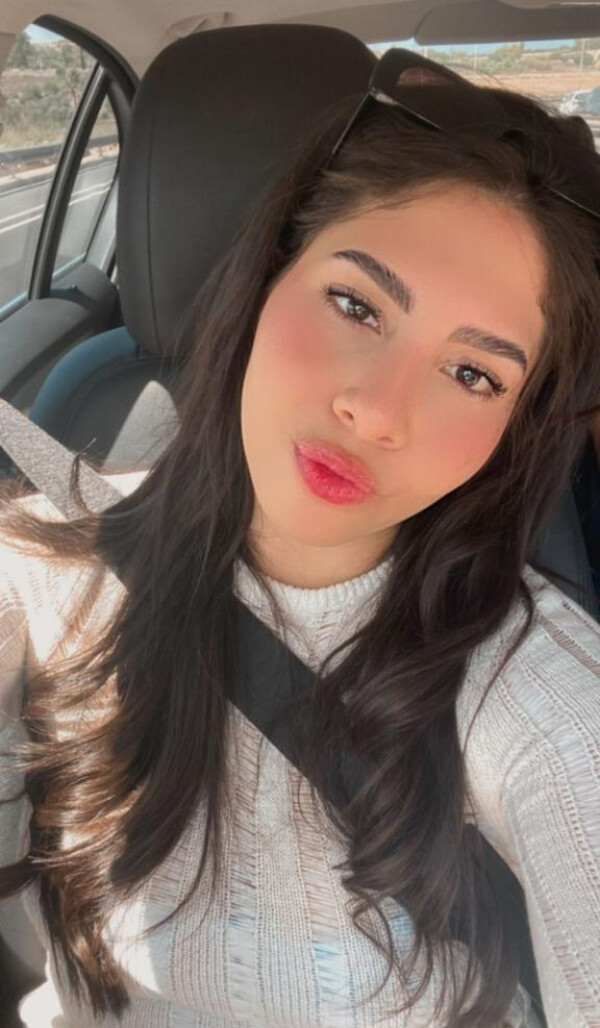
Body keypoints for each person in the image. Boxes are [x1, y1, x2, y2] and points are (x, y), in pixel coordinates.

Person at [1, 47, 600, 1028]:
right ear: (266, 277)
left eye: (474, 375)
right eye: (357, 304)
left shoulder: (527, 683)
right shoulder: (45, 566)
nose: (377, 410)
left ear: (512, 428)